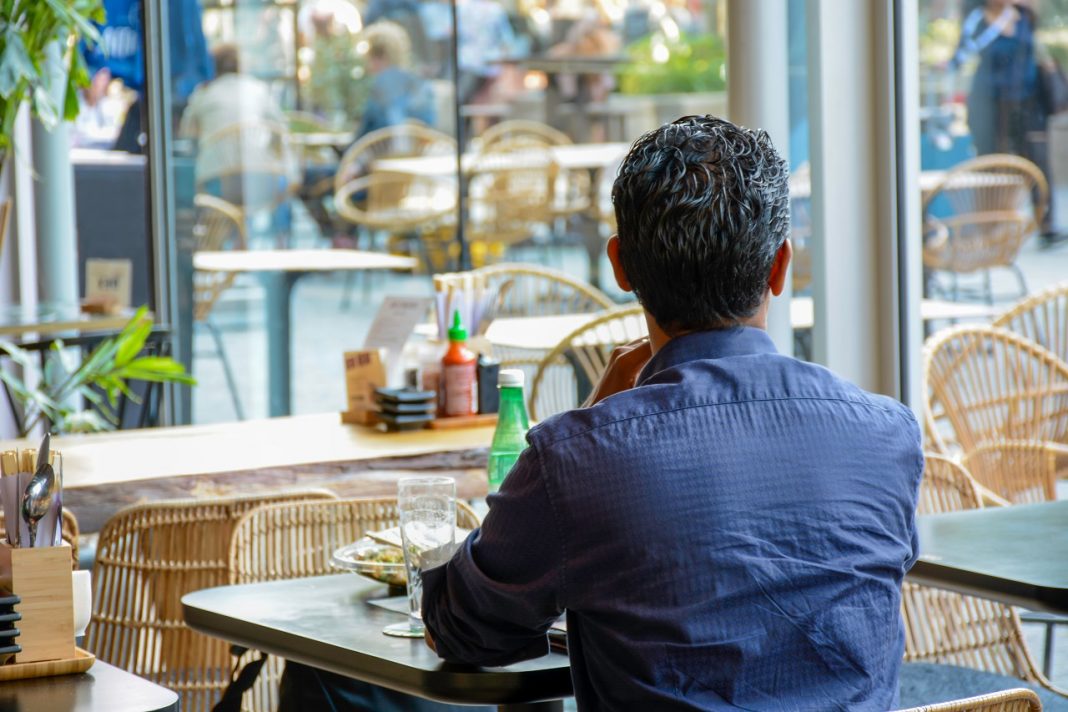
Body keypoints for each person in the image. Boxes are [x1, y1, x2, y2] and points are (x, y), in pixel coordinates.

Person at [421, 115, 924, 710]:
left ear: (620, 266)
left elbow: (464, 628)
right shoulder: (887, 435)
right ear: (781, 266)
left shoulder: (578, 460)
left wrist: (594, 417)